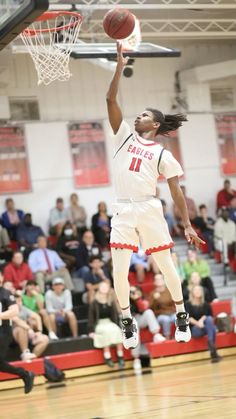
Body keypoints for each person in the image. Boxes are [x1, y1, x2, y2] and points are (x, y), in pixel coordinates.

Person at [106, 42, 204, 350]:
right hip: (123, 208)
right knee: (118, 270)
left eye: (145, 114)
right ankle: (127, 320)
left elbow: (175, 192)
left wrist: (186, 224)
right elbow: (110, 98)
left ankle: (181, 314)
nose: (138, 116)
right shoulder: (122, 136)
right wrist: (119, 67)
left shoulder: (162, 153)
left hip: (149, 207)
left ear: (156, 124)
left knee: (166, 265)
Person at [0, 270, 34, 394]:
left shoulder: (5, 293)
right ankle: (25, 374)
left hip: (3, 332)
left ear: (2, 278)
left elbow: (14, 311)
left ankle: (25, 374)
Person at [88, 281, 125, 369]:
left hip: (110, 322)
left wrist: (119, 326)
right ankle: (107, 357)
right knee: (105, 332)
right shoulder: (94, 302)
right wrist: (90, 331)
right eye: (102, 287)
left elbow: (115, 316)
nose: (104, 288)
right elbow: (91, 317)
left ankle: (120, 356)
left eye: (106, 287)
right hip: (100, 323)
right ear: (99, 288)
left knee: (116, 330)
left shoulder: (111, 301)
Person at [185, 285, 222, 363]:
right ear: (192, 293)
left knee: (209, 320)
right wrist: (198, 323)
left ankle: (212, 347)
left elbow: (210, 317)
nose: (198, 291)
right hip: (195, 329)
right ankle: (212, 347)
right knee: (212, 329)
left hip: (205, 327)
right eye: (196, 290)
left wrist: (202, 320)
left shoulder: (206, 304)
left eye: (199, 290)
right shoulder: (188, 304)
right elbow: (188, 318)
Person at [13, 291, 49, 361]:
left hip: (28, 334)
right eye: (16, 301)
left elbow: (37, 317)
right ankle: (25, 352)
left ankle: (32, 358)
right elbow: (17, 321)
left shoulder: (23, 309)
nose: (18, 303)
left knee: (45, 338)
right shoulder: (10, 310)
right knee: (21, 328)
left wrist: (39, 331)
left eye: (20, 301)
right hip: (14, 335)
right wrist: (29, 329)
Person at [149, 274, 176, 339]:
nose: (158, 281)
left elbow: (174, 304)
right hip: (160, 315)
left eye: (160, 279)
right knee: (165, 319)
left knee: (176, 317)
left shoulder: (169, 291)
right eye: (156, 279)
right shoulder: (153, 293)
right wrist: (155, 300)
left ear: (164, 280)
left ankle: (178, 335)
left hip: (171, 313)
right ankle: (167, 337)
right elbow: (151, 308)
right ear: (154, 282)